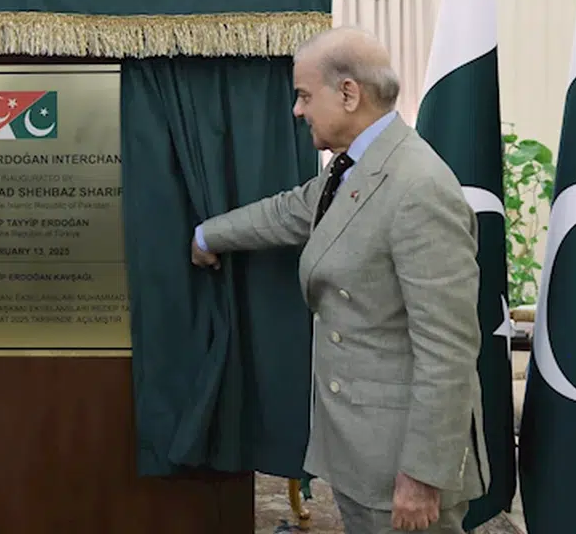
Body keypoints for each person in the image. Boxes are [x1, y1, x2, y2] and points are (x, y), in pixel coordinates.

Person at [190, 26, 487, 533]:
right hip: (362, 449)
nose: (297, 110)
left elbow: (448, 348)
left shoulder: (418, 187)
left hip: (401, 464)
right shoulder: (355, 166)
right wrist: (207, 235)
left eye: (305, 96)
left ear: (349, 93)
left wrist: (422, 475)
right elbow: (292, 211)